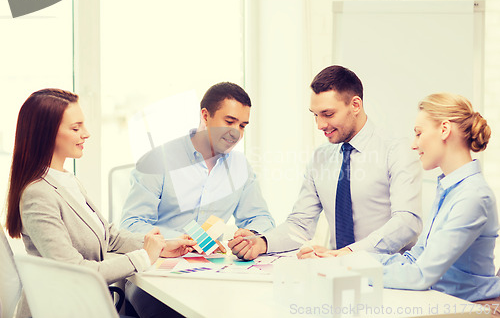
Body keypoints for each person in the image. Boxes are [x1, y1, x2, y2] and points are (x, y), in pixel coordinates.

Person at [5, 89, 196, 318]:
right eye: (75, 128)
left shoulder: (67, 180)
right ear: (47, 134)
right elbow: (75, 270)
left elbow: (109, 236)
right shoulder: (38, 194)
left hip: (86, 305)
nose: (86, 134)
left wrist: (161, 246)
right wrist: (144, 256)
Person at [229, 65, 422, 260]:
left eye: (328, 114)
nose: (320, 125)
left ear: (355, 105)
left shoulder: (397, 150)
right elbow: (300, 225)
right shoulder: (320, 157)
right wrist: (262, 243)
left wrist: (348, 254)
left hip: (389, 275)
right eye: (315, 115)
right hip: (335, 270)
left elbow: (407, 222)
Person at [366, 93, 498, 301]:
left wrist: (357, 271)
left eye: (418, 133)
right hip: (447, 303)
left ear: (444, 130)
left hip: (474, 309)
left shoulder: (473, 196)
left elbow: (421, 276)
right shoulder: (449, 188)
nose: (413, 144)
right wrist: (353, 260)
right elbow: (415, 258)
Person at [120, 82, 275, 239]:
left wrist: (252, 234)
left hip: (213, 262)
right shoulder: (158, 161)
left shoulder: (240, 167)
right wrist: (176, 239)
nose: (236, 133)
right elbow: (131, 224)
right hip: (163, 259)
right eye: (229, 122)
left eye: (242, 126)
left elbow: (261, 218)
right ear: (206, 116)